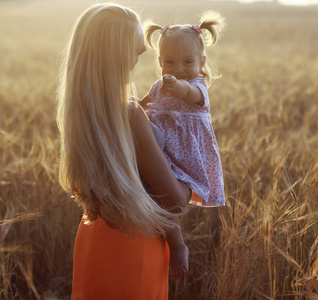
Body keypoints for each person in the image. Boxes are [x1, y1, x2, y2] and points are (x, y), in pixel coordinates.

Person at [56, 3, 191, 299]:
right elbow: (174, 201)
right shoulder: (128, 115)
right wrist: (195, 174)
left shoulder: (79, 112)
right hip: (137, 241)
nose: (139, 57)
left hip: (94, 237)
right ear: (114, 55)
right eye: (135, 50)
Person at [140, 11, 226, 279]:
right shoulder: (158, 85)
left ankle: (177, 246)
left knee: (165, 199)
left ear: (202, 61)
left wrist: (177, 87)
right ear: (159, 61)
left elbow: (188, 94)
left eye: (188, 61)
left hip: (185, 157)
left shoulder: (198, 86)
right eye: (170, 61)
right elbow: (140, 106)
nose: (178, 68)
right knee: (152, 195)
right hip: (161, 153)